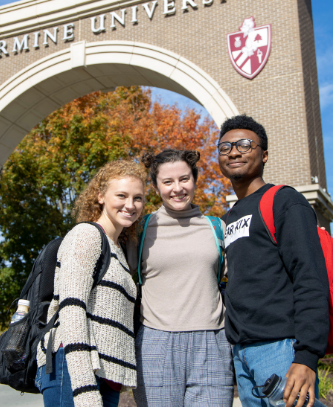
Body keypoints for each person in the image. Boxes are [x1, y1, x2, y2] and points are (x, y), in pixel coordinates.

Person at [217, 115, 329, 407]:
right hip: (242, 353)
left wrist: (306, 355)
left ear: (264, 154)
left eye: (245, 144)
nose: (234, 151)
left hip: (282, 348)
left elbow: (310, 276)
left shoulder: (284, 201)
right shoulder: (228, 217)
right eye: (225, 146)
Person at [35, 160, 146, 407]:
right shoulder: (86, 236)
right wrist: (84, 387)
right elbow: (72, 311)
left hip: (105, 375)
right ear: (100, 197)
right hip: (73, 369)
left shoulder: (118, 249)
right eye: (121, 195)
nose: (130, 205)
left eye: (138, 198)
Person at [128, 149, 234, 407]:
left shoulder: (217, 227)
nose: (178, 188)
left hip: (213, 344)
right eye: (168, 182)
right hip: (156, 343)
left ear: (195, 180)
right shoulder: (139, 229)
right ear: (156, 186)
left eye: (184, 179)